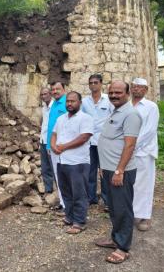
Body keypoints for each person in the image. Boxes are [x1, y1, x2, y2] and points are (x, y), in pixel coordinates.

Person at [95, 80, 142, 264]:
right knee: (113, 208)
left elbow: (130, 145)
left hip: (120, 171)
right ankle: (116, 238)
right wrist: (103, 167)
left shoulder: (131, 114)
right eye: (112, 92)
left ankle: (123, 247)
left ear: (127, 93)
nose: (114, 95)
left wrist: (119, 170)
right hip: (109, 170)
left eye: (118, 92)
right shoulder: (116, 111)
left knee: (122, 208)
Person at [51, 92, 93, 234]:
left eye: (73, 101)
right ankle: (69, 217)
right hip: (62, 161)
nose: (69, 104)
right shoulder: (61, 118)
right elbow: (54, 133)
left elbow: (84, 137)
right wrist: (53, 145)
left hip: (78, 162)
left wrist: (63, 146)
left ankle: (79, 222)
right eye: (68, 101)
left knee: (79, 193)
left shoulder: (85, 118)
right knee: (66, 192)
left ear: (79, 102)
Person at [130, 78, 159, 231]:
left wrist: (132, 146)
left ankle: (145, 217)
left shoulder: (151, 106)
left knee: (145, 184)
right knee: (131, 183)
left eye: (140, 87)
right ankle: (133, 213)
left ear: (146, 90)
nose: (136, 89)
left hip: (144, 151)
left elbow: (149, 131)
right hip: (127, 151)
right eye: (134, 87)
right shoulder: (126, 105)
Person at [81, 74, 113, 207]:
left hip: (104, 141)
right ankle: (91, 197)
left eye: (95, 82)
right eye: (91, 83)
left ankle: (107, 200)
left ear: (101, 84)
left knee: (104, 171)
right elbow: (81, 118)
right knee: (90, 171)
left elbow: (113, 118)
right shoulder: (84, 102)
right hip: (89, 142)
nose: (93, 85)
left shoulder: (108, 100)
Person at [46, 81, 67, 209]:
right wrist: (49, 146)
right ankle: (63, 202)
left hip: (62, 147)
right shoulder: (54, 105)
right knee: (58, 177)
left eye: (58, 89)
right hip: (52, 146)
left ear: (64, 89)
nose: (55, 92)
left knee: (64, 177)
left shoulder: (67, 103)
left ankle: (67, 205)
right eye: (53, 90)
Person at [39, 87, 54, 193]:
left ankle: (59, 193)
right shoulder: (44, 107)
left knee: (54, 168)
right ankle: (48, 190)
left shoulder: (55, 107)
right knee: (45, 168)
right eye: (42, 95)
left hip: (52, 142)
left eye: (45, 94)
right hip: (43, 141)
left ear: (50, 94)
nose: (44, 96)